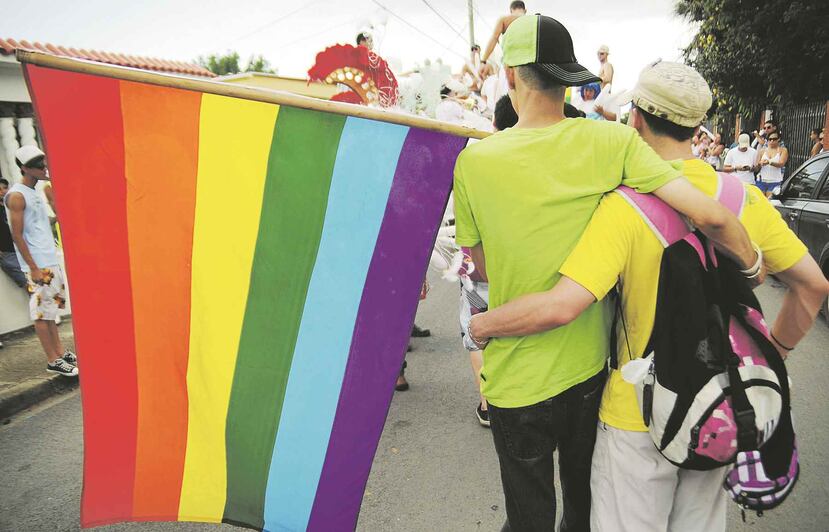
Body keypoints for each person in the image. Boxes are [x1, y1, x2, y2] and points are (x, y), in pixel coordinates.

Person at [468, 60, 829, 532]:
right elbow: (813, 287)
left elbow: (563, 304)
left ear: (635, 118)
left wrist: (483, 325)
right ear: (698, 126)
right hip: (714, 408)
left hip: (636, 413)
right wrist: (771, 351)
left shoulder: (622, 206)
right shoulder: (743, 199)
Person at [458, 94, 519, 428]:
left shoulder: (474, 161)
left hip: (477, 268)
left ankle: (487, 403)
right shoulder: (531, 162)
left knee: (477, 334)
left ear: (494, 124)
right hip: (517, 268)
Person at [4, 146, 77, 377]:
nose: (44, 168)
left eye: (43, 163)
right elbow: (17, 234)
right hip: (38, 265)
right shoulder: (17, 195)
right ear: (25, 168)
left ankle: (60, 352)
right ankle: (52, 359)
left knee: (50, 310)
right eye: (38, 165)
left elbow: (40, 224)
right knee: (41, 313)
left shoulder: (34, 191)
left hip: (49, 259)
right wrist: (33, 268)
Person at [480, 1, 527, 66]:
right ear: (525, 10)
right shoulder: (535, 20)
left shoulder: (504, 20)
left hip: (511, 62)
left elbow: (494, 38)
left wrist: (483, 61)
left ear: (511, 10)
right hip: (530, 62)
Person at [0, 178, 27, 289]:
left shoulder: (13, 206)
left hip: (24, 250)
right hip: (9, 254)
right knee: (31, 287)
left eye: (5, 188)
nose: (2, 191)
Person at [757, 131, 788, 197]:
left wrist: (769, 162)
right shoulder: (762, 150)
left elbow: (781, 164)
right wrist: (760, 163)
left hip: (775, 181)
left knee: (771, 203)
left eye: (774, 139)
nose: (772, 141)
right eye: (770, 139)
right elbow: (757, 164)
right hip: (762, 180)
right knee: (760, 202)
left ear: (778, 139)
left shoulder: (783, 150)